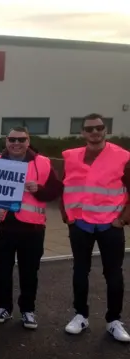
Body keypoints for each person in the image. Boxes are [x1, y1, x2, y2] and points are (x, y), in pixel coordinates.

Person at [0, 126, 61, 329]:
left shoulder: (42, 163)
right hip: (2, 226)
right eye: (12, 139)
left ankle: (27, 310)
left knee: (29, 271)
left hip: (32, 228)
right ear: (6, 141)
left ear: (28, 140)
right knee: (3, 270)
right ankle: (3, 307)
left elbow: (56, 190)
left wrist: (39, 189)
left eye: (21, 140)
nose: (16, 143)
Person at [61, 114, 130, 342]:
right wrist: (67, 216)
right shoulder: (71, 157)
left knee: (114, 274)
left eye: (99, 127)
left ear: (105, 130)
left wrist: (122, 219)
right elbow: (65, 186)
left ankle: (114, 320)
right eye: (89, 128)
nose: (95, 132)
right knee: (80, 271)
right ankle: (80, 315)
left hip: (110, 225)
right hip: (80, 224)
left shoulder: (122, 156)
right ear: (82, 132)